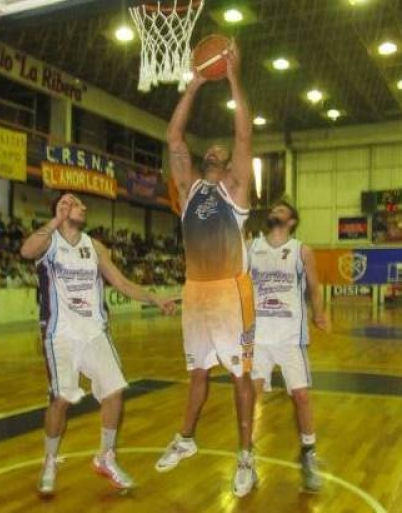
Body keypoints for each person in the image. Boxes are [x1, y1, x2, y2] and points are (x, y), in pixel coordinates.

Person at [20, 193, 175, 496]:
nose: (84, 207)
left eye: (80, 204)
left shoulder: (95, 246)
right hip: (59, 334)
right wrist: (55, 220)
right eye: (75, 203)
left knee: (115, 390)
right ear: (61, 210)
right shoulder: (49, 243)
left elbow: (122, 283)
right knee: (60, 401)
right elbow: (26, 251)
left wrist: (154, 297)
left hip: (94, 332)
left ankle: (106, 456)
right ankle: (50, 460)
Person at [155, 41, 257, 497]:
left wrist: (233, 79)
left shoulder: (237, 195)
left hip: (229, 294)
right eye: (211, 150)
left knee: (238, 376)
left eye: (222, 151)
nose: (217, 151)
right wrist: (196, 82)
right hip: (195, 293)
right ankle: (187, 439)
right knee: (198, 374)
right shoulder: (189, 188)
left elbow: (244, 137)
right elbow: (174, 139)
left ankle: (246, 455)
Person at [247, 201, 329, 492]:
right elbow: (239, 285)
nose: (275, 211)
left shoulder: (302, 250)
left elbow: (315, 287)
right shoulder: (250, 248)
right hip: (258, 338)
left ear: (292, 221)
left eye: (282, 210)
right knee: (250, 398)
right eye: (274, 208)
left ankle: (308, 454)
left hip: (291, 338)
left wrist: (319, 313)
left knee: (302, 397)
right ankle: (247, 460)